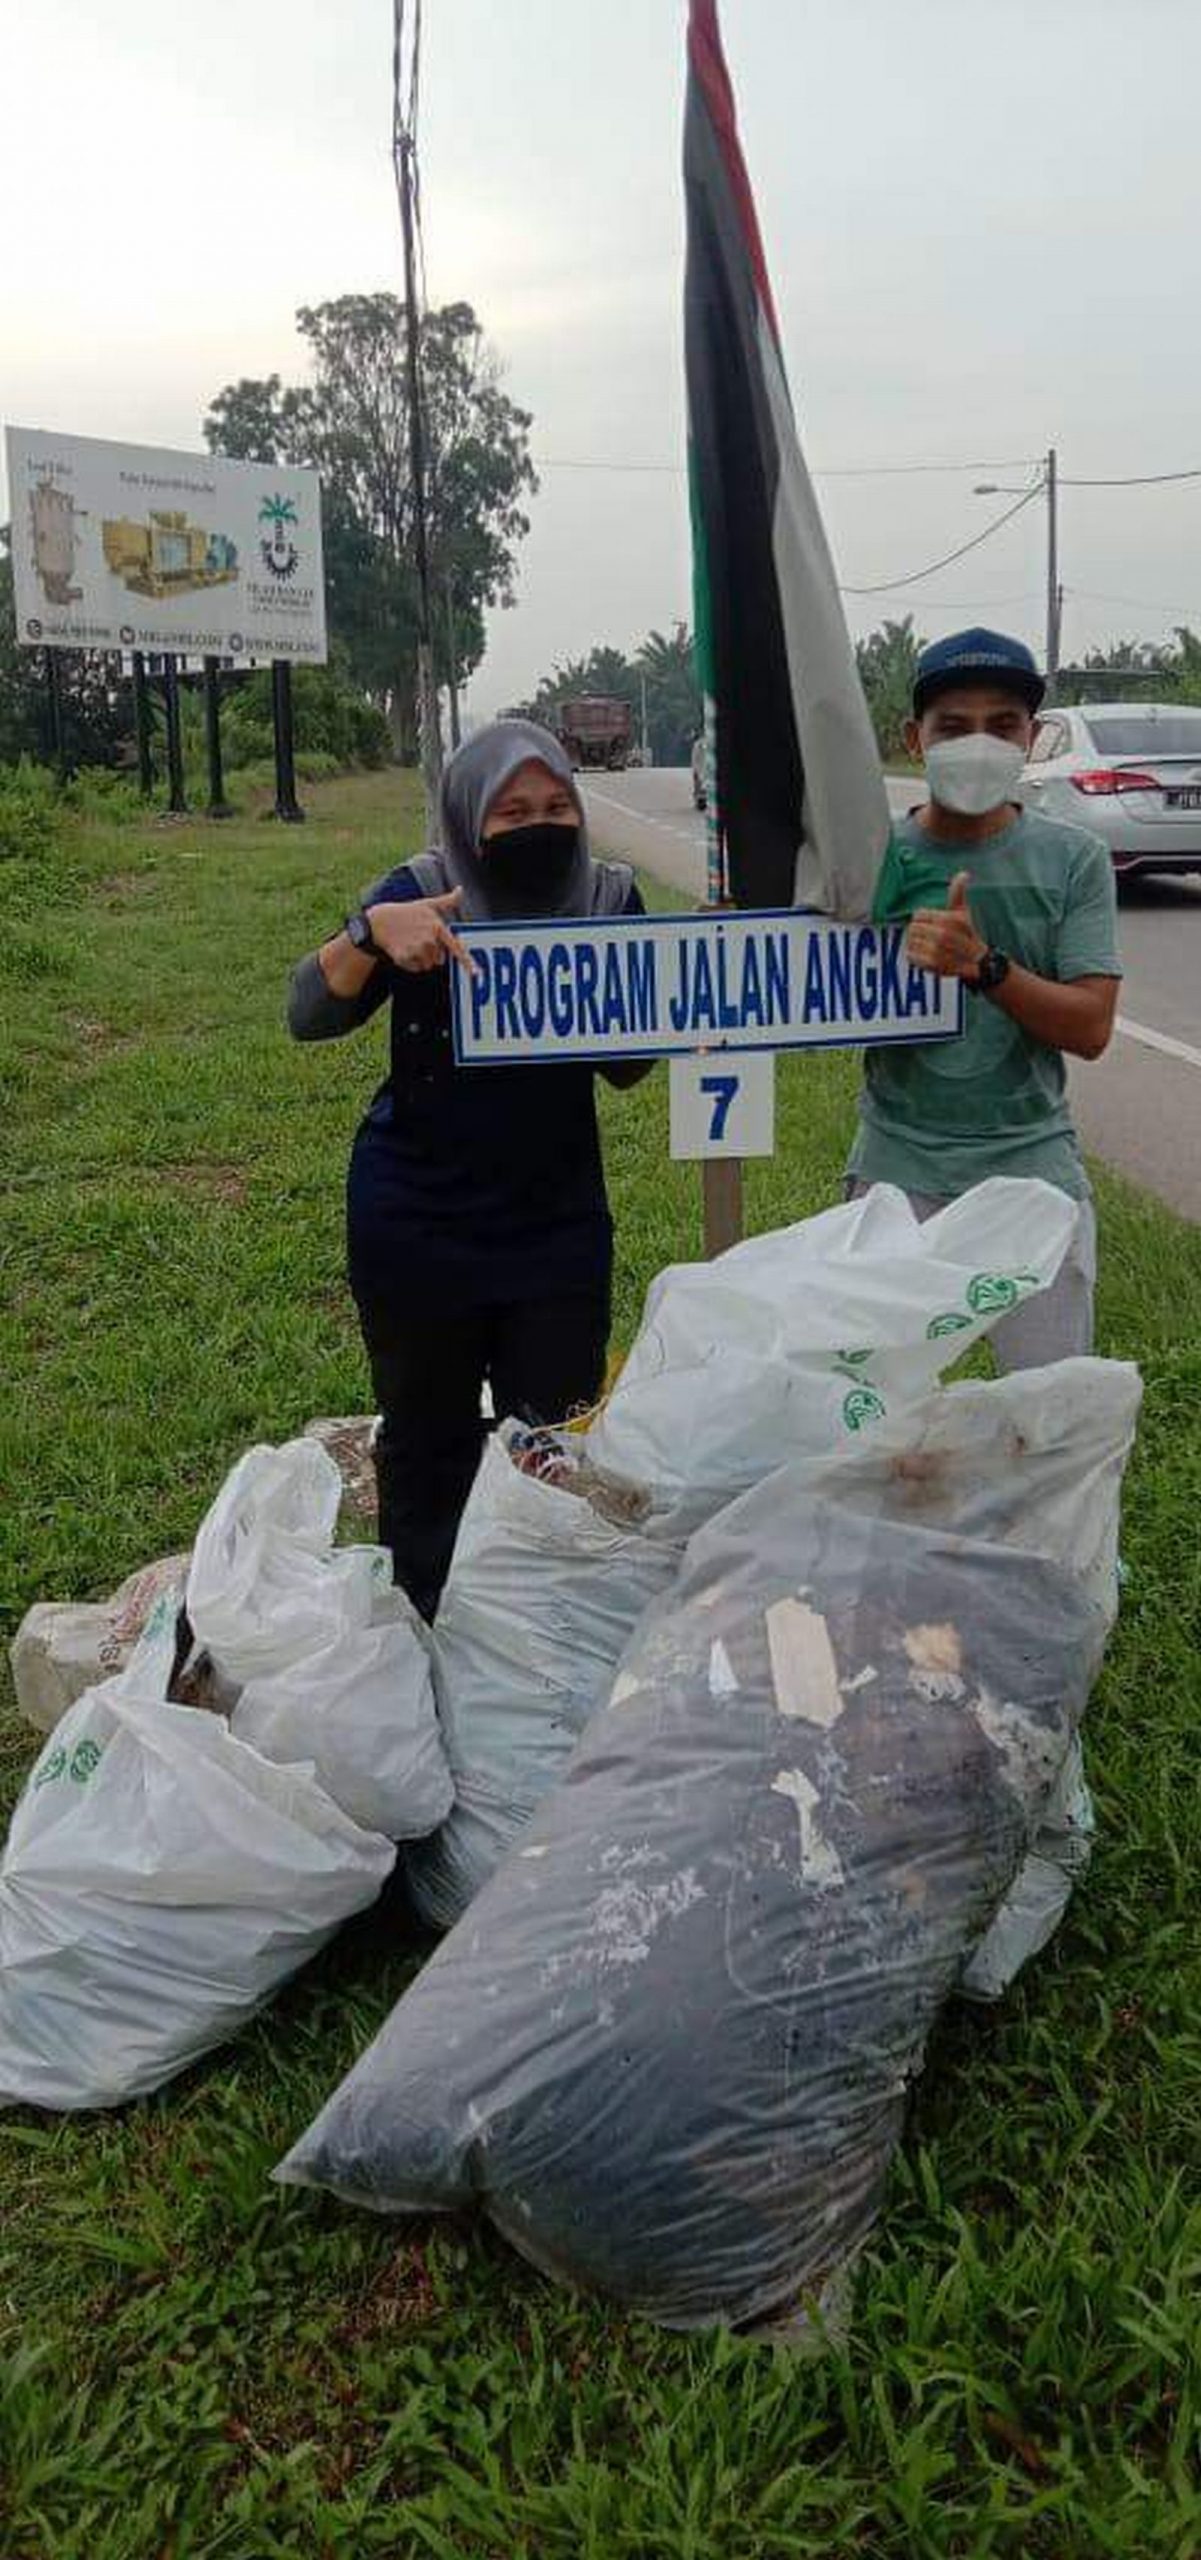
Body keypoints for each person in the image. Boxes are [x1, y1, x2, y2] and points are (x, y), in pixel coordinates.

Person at [288, 719, 651, 1620]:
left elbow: (629, 1065)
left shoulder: (605, 898)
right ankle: (423, 1618)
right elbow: (307, 1013)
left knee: (554, 1442)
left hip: (555, 1222)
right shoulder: (419, 890)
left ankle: (537, 1630)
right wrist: (369, 933)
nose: (539, 823)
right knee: (426, 1440)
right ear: (468, 817)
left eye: (557, 804)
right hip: (418, 1219)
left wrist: (672, 983)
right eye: (512, 810)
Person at [846, 627, 1122, 1366]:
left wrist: (982, 967)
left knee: (1048, 1430)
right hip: (896, 1170)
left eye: (1001, 726)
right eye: (952, 726)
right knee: (868, 1428)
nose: (978, 743)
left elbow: (1091, 1027)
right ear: (914, 737)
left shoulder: (1074, 860)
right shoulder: (871, 860)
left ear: (1029, 738)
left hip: (1031, 1174)